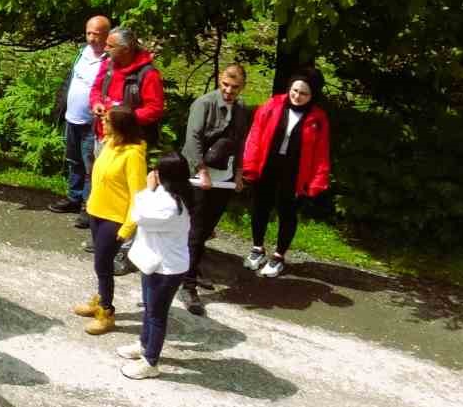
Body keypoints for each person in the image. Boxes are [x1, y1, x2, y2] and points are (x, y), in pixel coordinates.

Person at [89, 26, 166, 272]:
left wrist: (124, 118)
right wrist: (98, 104)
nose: (105, 49)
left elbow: (155, 109)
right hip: (105, 138)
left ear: (127, 48)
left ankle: (124, 248)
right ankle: (104, 239)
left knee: (131, 195)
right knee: (103, 187)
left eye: (111, 46)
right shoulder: (108, 64)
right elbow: (95, 90)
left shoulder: (148, 74)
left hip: (131, 142)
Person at [241, 74, 331, 279]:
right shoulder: (272, 106)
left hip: (295, 172)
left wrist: (318, 180)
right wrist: (250, 165)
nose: (297, 96)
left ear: (313, 95)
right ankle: (257, 248)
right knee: (260, 207)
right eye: (295, 91)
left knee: (288, 212)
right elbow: (255, 136)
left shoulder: (318, 118)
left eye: (304, 93)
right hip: (267, 165)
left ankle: (279, 256)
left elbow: (321, 151)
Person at [179, 64, 251, 315]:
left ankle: (192, 266)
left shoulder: (242, 110)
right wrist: (201, 170)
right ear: (220, 81)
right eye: (225, 85)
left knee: (208, 228)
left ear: (242, 88)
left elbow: (241, 142)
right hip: (201, 176)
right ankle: (187, 285)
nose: (229, 91)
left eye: (235, 87)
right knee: (196, 229)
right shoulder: (204, 104)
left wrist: (240, 173)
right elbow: (193, 138)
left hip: (225, 177)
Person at [118, 154, 195, 380]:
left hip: (167, 269)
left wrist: (145, 189)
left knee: (156, 315)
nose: (153, 174)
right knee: (150, 308)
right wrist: (152, 190)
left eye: (157, 171)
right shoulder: (172, 193)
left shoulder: (171, 206)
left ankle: (151, 362)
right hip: (153, 262)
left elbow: (138, 215)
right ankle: (143, 344)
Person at [74, 106, 147, 336]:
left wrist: (128, 227)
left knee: (103, 266)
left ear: (120, 127)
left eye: (107, 121)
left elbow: (139, 195)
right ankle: (100, 299)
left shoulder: (133, 155)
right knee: (100, 262)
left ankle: (107, 312)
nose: (103, 123)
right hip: (97, 212)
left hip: (114, 219)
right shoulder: (109, 143)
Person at [49, 14, 112, 231]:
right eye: (89, 33)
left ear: (107, 35)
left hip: (91, 122)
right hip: (72, 117)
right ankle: (74, 197)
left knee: (90, 166)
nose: (92, 38)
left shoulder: (109, 60)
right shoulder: (81, 54)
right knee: (73, 160)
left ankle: (88, 206)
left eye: (97, 34)